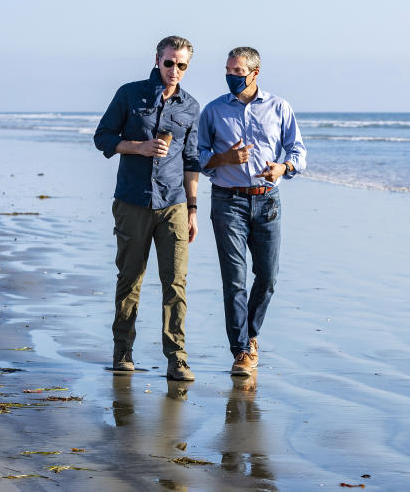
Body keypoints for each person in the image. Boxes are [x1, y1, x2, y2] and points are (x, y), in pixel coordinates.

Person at [93, 35, 200, 381]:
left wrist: (193, 209)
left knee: (176, 283)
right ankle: (123, 351)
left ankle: (177, 358)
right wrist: (137, 147)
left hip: (174, 204)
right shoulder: (129, 94)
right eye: (169, 63)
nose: (174, 71)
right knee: (130, 279)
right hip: (132, 201)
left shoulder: (190, 106)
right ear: (157, 60)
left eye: (182, 65)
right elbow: (103, 137)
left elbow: (191, 160)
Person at [198, 46, 306, 375]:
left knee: (268, 277)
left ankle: (252, 334)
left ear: (254, 73)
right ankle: (241, 350)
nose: (231, 76)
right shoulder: (213, 111)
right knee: (234, 280)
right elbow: (200, 157)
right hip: (227, 200)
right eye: (228, 71)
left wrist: (283, 167)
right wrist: (224, 159)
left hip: (268, 200)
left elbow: (299, 151)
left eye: (237, 71)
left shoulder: (279, 107)